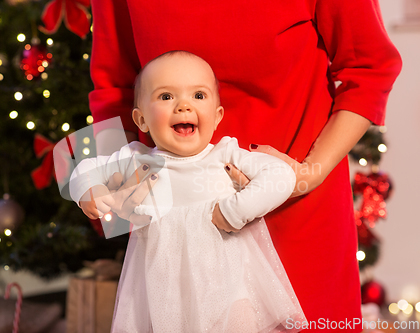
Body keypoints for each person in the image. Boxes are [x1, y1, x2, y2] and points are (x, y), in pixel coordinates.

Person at [85, 1, 402, 330]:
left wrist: (308, 173)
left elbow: (370, 66)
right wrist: (117, 184)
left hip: (298, 210)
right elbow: (112, 88)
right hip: (178, 228)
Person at [70, 51, 306, 332]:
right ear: (141, 119)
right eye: (166, 97)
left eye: (198, 96)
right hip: (162, 292)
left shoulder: (224, 154)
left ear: (218, 116)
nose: (183, 106)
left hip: (229, 283)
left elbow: (281, 174)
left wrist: (234, 211)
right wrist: (90, 189)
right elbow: (83, 169)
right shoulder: (137, 159)